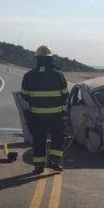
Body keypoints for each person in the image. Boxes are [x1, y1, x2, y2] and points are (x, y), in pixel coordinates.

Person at [22, 45, 69, 173]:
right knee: (57, 138)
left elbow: (24, 95)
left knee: (39, 140)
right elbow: (65, 95)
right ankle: (54, 162)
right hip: (56, 115)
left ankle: (38, 166)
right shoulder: (58, 75)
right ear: (51, 58)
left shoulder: (29, 76)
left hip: (37, 115)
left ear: (37, 58)